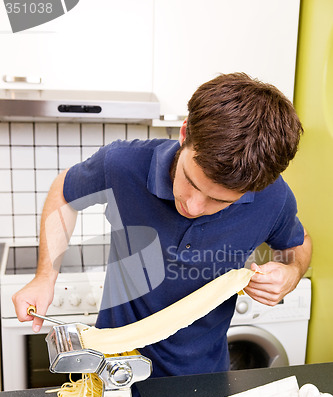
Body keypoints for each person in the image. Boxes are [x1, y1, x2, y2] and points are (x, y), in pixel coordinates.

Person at [12, 73, 312, 377]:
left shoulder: (272, 198)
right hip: (112, 369)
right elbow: (64, 191)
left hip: (203, 378)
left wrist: (291, 271)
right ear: (184, 134)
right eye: (191, 182)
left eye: (219, 201)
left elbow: (297, 244)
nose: (193, 207)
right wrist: (44, 277)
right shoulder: (124, 164)